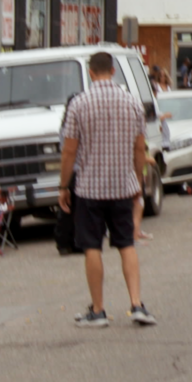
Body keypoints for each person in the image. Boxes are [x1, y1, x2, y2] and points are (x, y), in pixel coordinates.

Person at [58, 51, 156, 328]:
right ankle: (136, 304)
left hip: (89, 188)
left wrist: (64, 186)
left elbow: (69, 151)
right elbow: (140, 148)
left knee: (92, 247)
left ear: (91, 73)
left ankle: (98, 310)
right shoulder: (132, 103)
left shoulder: (79, 104)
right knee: (126, 244)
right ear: (113, 71)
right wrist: (137, 180)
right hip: (123, 186)